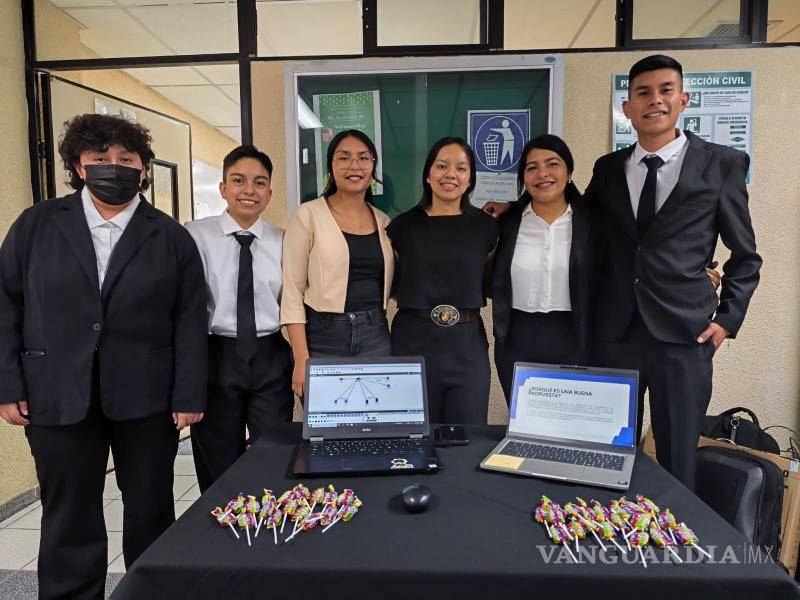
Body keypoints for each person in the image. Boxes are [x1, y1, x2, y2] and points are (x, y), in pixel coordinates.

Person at [0, 114, 207, 599]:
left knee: (152, 510)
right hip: (56, 394)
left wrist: (188, 393)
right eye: (99, 158)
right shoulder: (37, 225)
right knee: (69, 512)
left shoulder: (171, 236)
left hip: (147, 397)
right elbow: (5, 305)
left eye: (126, 159)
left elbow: (190, 319)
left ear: (145, 168)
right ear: (77, 164)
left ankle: (151, 592)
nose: (113, 166)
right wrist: (8, 384)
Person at [588, 55, 762, 489]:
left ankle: (677, 553)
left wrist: (727, 320)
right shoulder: (608, 169)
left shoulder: (721, 164)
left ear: (683, 99)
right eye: (643, 93)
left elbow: (746, 255)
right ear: (627, 108)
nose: (655, 101)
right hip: (617, 334)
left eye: (666, 90)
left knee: (677, 461)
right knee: (608, 455)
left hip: (683, 336)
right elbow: (582, 228)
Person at [185, 145, 292, 492]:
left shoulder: (283, 240)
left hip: (270, 355)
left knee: (273, 453)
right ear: (223, 188)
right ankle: (220, 533)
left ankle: (268, 532)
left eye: (259, 183)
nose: (249, 190)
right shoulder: (194, 236)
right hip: (217, 354)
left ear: (269, 193)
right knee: (218, 459)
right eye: (239, 180)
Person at [388, 137, 498, 424]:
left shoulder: (487, 228)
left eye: (461, 168)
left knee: (467, 438)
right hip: (413, 343)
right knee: (412, 436)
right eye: (442, 166)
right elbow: (393, 282)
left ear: (470, 178)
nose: (451, 174)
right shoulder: (401, 227)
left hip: (466, 347)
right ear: (428, 174)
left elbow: (489, 279)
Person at [282, 130, 394, 397]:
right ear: (331, 167)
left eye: (363, 158)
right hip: (323, 337)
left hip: (375, 334)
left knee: (374, 423)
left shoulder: (383, 222)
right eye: (344, 157)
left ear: (373, 167)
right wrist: (301, 358)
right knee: (326, 429)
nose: (354, 166)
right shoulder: (307, 215)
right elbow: (292, 292)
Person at [492, 134, 595, 403]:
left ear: (569, 172)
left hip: (575, 339)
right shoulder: (505, 223)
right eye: (532, 167)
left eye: (552, 164)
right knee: (524, 426)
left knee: (570, 425)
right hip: (517, 339)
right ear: (523, 177)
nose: (543, 174)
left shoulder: (594, 223)